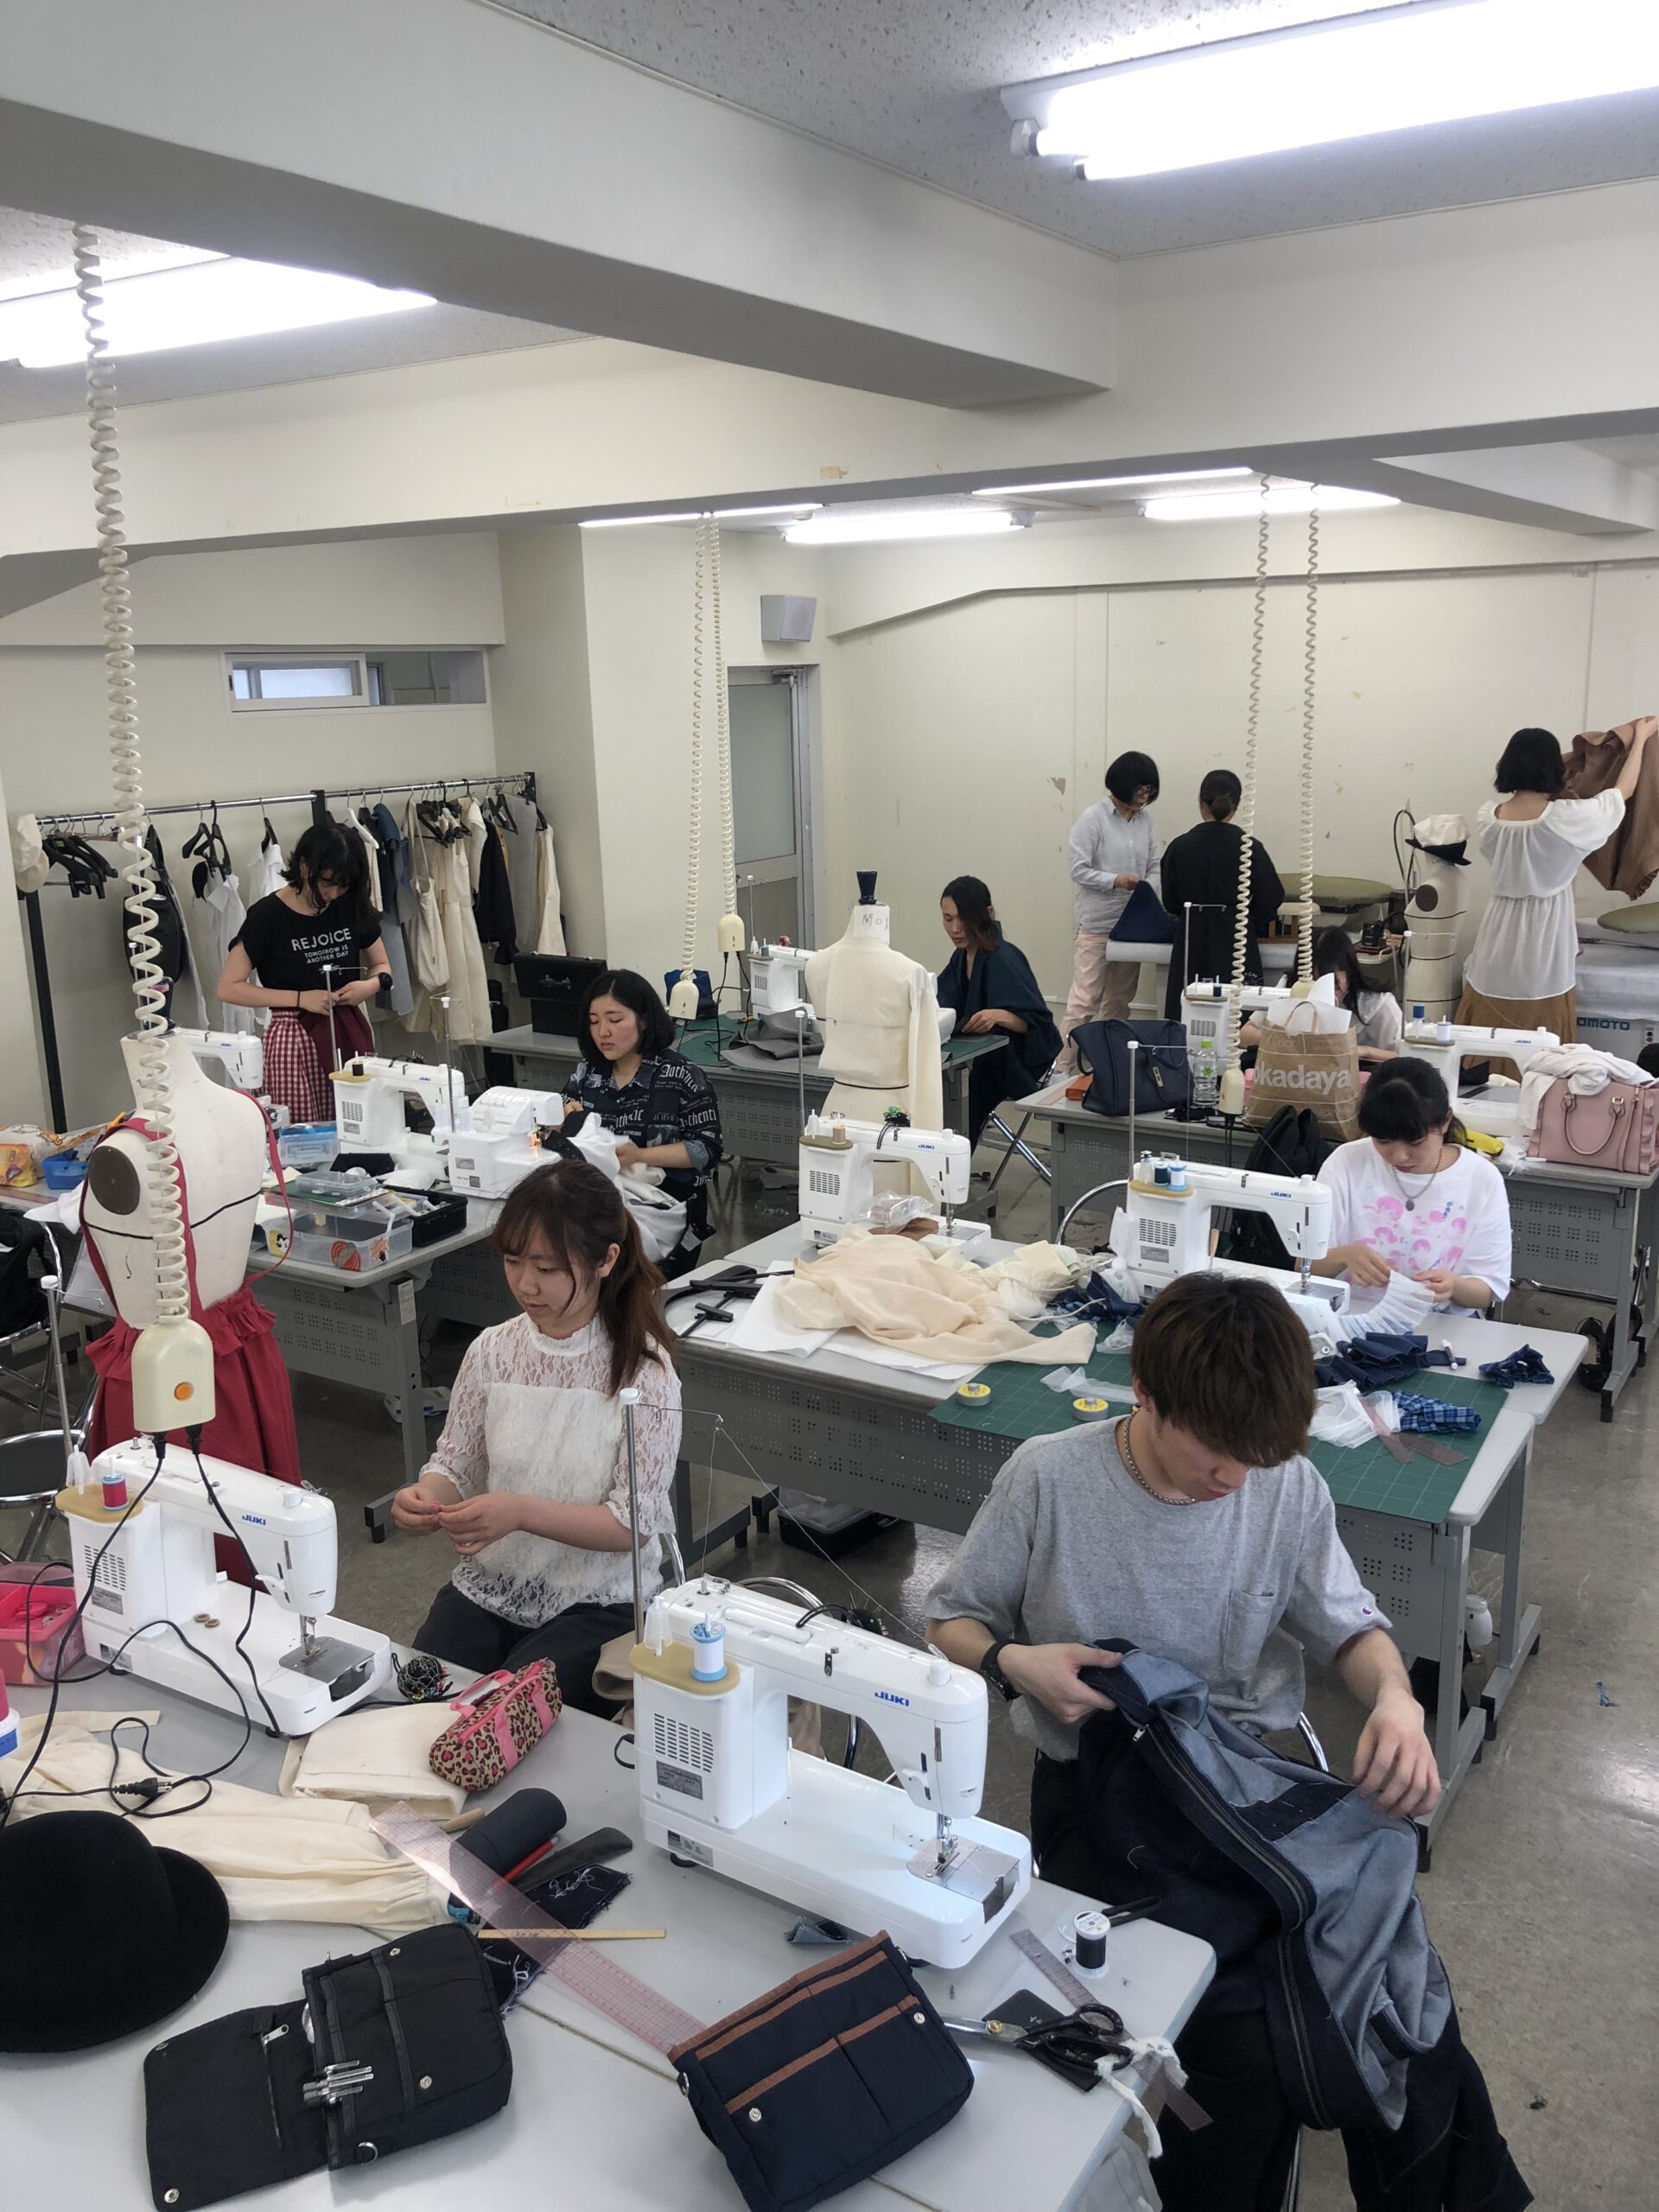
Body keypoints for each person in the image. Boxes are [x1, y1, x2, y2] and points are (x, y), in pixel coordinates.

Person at [925, 1274, 1438, 2212]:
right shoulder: (1048, 1477)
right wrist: (1013, 1661)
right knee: (1249, 2033)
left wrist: (1397, 1698)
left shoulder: (1284, 1485)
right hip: (1102, 1803)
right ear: (1146, 1396)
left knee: (1397, 1986)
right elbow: (951, 1619)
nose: (1235, 1479)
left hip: (1243, 1792)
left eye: (1257, 1456)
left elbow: (1351, 1629)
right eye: (1216, 1452)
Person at [394, 1159, 679, 1712]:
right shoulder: (492, 1350)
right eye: (512, 1260)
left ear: (606, 1260)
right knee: (419, 1700)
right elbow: (456, 1463)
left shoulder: (645, 1374)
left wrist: (521, 1512)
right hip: (494, 1583)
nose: (526, 1284)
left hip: (600, 1602)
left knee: (506, 1718)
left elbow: (633, 1525)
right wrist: (425, 1497)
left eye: (547, 1268)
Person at [1459, 720, 1652, 1040]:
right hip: (1546, 929)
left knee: (1491, 1007)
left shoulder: (1489, 818)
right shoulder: (1565, 818)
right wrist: (1641, 738)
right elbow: (1622, 793)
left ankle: (1483, 1070)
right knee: (1540, 1013)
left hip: (1499, 927)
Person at [218, 820, 391, 1126]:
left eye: (343, 885)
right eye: (326, 882)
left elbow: (383, 967)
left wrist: (371, 986)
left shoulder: (349, 904)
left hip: (347, 1026)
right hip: (293, 1036)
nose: (333, 893)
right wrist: (299, 998)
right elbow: (229, 987)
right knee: (304, 1133)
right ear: (304, 866)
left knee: (362, 1125)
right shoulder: (267, 916)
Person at [562, 969, 723, 1280]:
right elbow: (558, 1128)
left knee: (603, 1262)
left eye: (615, 1020)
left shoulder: (681, 1076)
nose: (603, 1032)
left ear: (644, 1020)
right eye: (594, 1022)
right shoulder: (587, 1074)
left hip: (666, 1207)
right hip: (600, 1202)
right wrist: (564, 1121)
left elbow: (706, 1150)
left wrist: (639, 1156)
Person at [1313, 1057, 1510, 1311]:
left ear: (1445, 1121)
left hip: (1439, 1323)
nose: (1399, 1157)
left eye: (1415, 1143)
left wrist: (1455, 1286)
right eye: (1383, 1141)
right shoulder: (1346, 1162)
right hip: (1350, 1315)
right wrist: (1344, 1256)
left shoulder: (1481, 1179)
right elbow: (1304, 1266)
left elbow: (1487, 1291)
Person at [937, 876, 1061, 1147]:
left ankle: (951, 1159)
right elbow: (942, 1002)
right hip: (981, 1058)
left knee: (957, 1093)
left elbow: (1040, 1025)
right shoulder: (960, 957)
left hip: (1010, 1061)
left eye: (964, 918)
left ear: (988, 914)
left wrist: (999, 1015)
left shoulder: (1004, 958)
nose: (955, 928)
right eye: (948, 919)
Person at [1058, 750, 1161, 1070]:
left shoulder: (1145, 822)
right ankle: (1060, 1069)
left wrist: (1147, 889)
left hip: (1131, 927)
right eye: (1140, 788)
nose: (1144, 795)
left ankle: (1105, 1067)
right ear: (1121, 784)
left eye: (1149, 789)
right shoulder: (1092, 819)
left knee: (1119, 1002)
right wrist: (1115, 881)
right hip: (1096, 925)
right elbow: (1078, 870)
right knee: (1083, 1002)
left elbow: (1155, 865)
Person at [1158, 768, 1286, 1020]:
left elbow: (1170, 902)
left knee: (1188, 1013)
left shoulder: (1179, 847)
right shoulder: (1250, 847)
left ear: (1200, 801)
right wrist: (1249, 919)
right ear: (1236, 805)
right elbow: (1271, 898)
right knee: (1238, 1017)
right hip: (1236, 939)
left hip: (1191, 940)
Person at [1243, 925, 1402, 1063]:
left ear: (1349, 973)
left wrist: (1363, 1051)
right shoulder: (1291, 986)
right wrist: (1285, 1040)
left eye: (1331, 982)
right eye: (1313, 981)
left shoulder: (1375, 1003)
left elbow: (1406, 1057)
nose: (1321, 990)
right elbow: (1245, 1035)